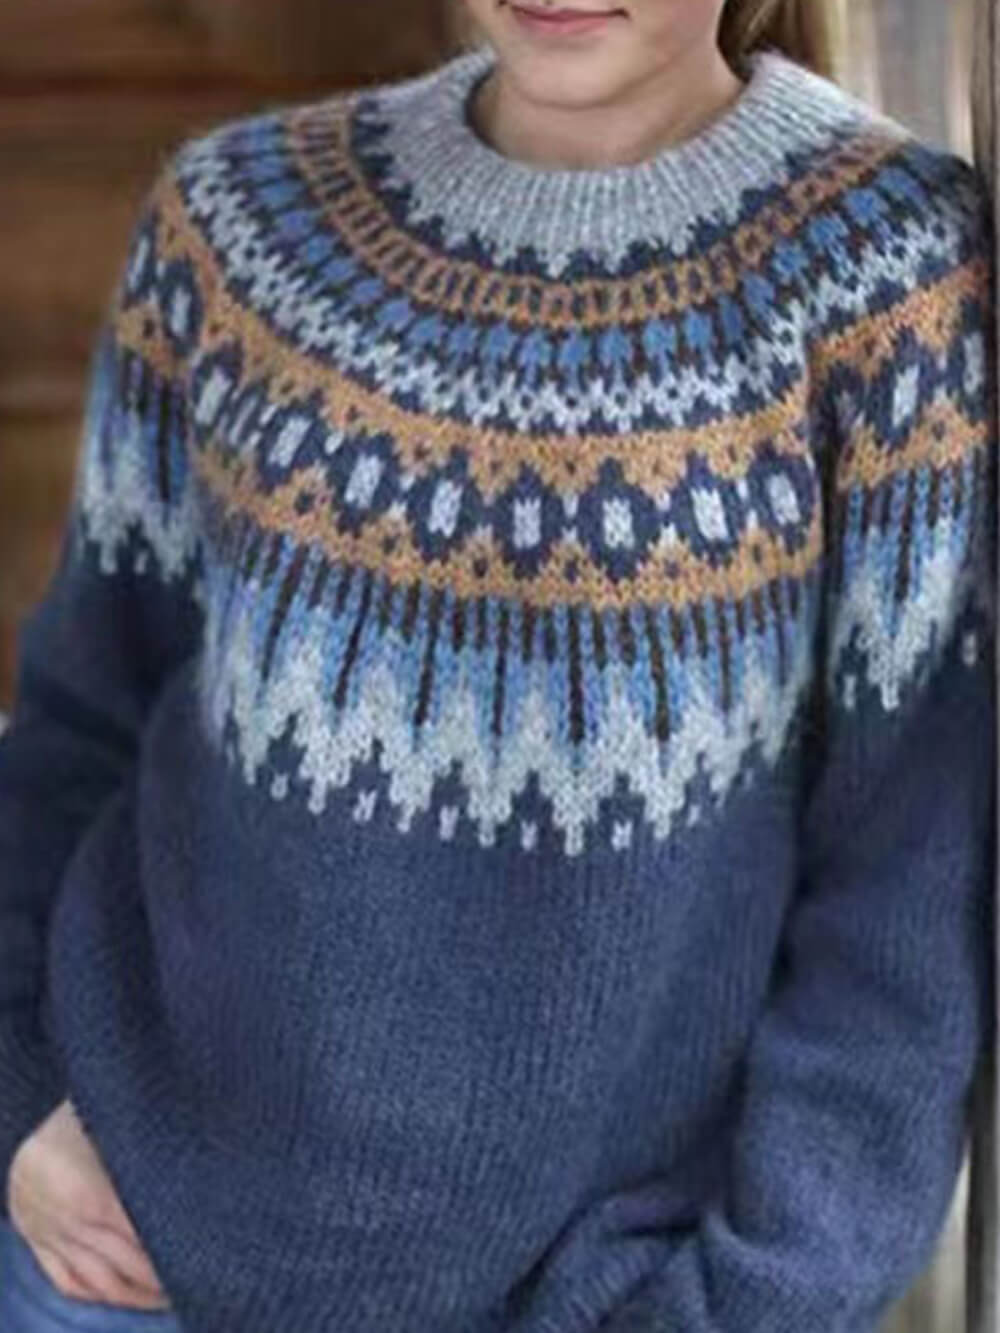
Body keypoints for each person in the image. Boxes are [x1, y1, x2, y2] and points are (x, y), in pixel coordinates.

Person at [0, 0, 996, 1329]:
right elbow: (78, 725)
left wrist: (743, 1306)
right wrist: (19, 1093)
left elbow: (907, 894)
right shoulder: (237, 215)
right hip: (109, 1260)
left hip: (591, 1298)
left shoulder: (888, 269)